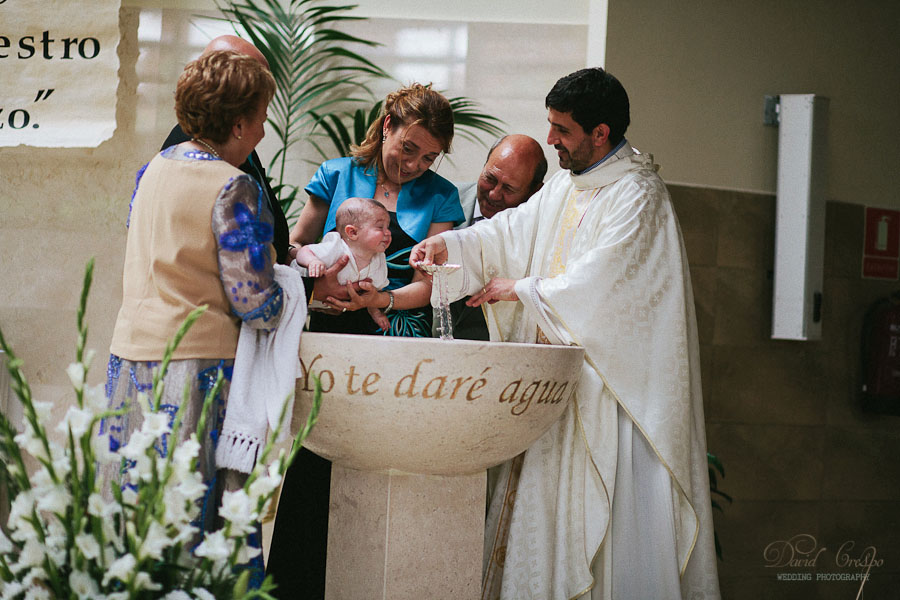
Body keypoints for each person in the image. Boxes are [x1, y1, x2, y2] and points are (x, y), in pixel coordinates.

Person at [411, 68, 720, 599]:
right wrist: (455, 249)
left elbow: (603, 288)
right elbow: (511, 229)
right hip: (553, 397)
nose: (550, 139)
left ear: (600, 133)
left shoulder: (638, 196)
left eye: (562, 130)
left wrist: (520, 289)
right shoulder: (566, 186)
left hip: (610, 407)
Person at [266, 82, 463, 599]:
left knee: (385, 467)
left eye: (431, 156)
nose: (417, 163)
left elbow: (431, 284)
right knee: (316, 459)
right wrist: (316, 277)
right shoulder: (337, 174)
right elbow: (292, 247)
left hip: (397, 334)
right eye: (409, 148)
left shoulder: (442, 197)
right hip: (330, 331)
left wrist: (381, 301)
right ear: (386, 126)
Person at [101, 50, 280, 587]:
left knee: (135, 516)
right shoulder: (234, 185)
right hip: (197, 369)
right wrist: (292, 293)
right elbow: (255, 300)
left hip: (130, 361)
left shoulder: (152, 169)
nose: (265, 128)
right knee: (192, 523)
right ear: (240, 122)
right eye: (263, 115)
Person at [449, 134, 547, 340]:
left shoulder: (544, 233)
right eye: (489, 179)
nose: (494, 194)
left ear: (535, 191)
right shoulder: (444, 200)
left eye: (509, 188)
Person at [294, 197, 392, 330]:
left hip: (331, 309)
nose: (388, 233)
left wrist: (376, 313)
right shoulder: (335, 248)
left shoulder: (378, 261)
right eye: (380, 227)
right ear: (352, 232)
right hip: (294, 295)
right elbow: (303, 251)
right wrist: (312, 261)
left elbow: (371, 294)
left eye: (388, 227)